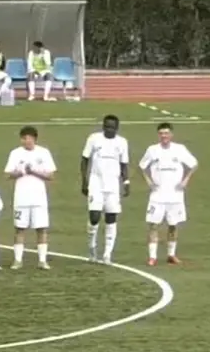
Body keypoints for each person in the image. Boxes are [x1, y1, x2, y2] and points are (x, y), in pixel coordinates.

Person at [139, 122, 198, 266]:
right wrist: (148, 181)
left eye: (166, 133)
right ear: (158, 135)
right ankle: (152, 256)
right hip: (157, 195)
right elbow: (142, 166)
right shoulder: (152, 150)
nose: (164, 136)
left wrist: (185, 180)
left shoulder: (180, 149)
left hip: (175, 195)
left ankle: (171, 255)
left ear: (171, 134)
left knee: (173, 225)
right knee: (154, 225)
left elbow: (194, 164)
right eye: (161, 133)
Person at [4, 125, 57, 270]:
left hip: (39, 198)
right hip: (21, 198)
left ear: (34, 139)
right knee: (19, 229)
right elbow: (8, 174)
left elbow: (51, 175)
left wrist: (33, 171)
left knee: (41, 229)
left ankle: (42, 260)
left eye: (28, 138)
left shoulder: (44, 153)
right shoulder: (15, 153)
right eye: (23, 138)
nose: (26, 141)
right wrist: (21, 172)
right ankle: (17, 260)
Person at [81, 114, 130, 264]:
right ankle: (92, 248)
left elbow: (124, 164)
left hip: (113, 184)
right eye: (106, 126)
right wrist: (84, 180)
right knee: (94, 216)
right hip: (96, 182)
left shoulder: (122, 142)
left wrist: (126, 182)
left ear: (117, 128)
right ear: (103, 126)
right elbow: (84, 159)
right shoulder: (94, 138)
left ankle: (107, 253)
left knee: (111, 217)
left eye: (112, 127)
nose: (109, 129)